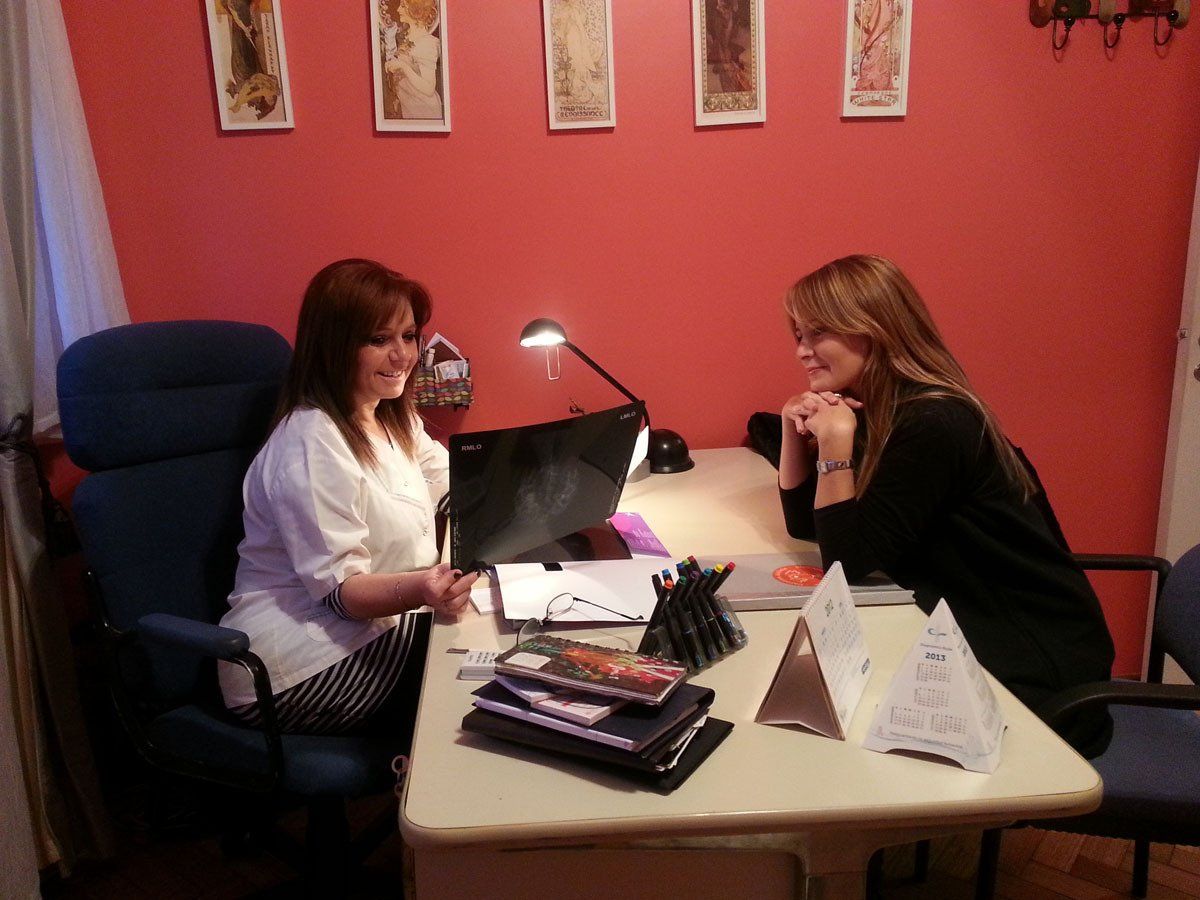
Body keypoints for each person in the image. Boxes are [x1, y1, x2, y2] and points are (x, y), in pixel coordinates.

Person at [777, 254, 1115, 757]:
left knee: (832, 742)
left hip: (1031, 665)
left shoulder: (933, 422)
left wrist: (834, 447)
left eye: (817, 332)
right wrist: (792, 430)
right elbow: (809, 525)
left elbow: (845, 563)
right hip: (963, 630)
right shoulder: (880, 409)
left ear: (873, 328)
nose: (802, 351)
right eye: (798, 335)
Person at [217, 258, 477, 740]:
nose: (402, 356)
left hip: (374, 630)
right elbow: (341, 594)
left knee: (490, 650)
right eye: (378, 340)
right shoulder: (311, 441)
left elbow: (458, 484)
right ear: (334, 346)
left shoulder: (390, 417)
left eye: (409, 336)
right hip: (294, 665)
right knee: (470, 690)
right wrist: (424, 588)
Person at [382, 0, 444, 120]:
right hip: (409, 107)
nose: (398, 10)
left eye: (403, 6)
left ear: (416, 9)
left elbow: (429, 88)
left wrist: (403, 67)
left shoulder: (427, 43)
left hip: (424, 111)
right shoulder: (407, 36)